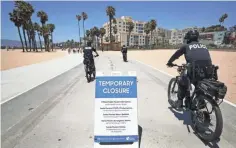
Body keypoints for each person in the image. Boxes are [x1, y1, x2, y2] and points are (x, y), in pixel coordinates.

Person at [166, 30, 212, 108]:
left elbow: (175, 55)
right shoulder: (204, 46)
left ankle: (180, 101)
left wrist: (169, 62)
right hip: (208, 71)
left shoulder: (186, 46)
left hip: (194, 71)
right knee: (198, 83)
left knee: (181, 81)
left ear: (188, 38)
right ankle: (200, 100)